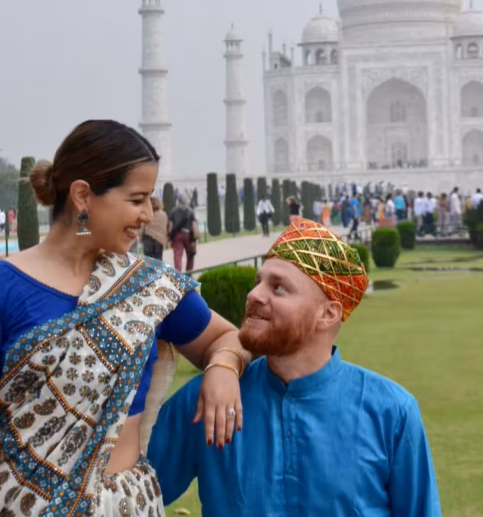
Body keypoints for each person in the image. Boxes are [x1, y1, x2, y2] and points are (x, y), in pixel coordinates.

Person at [0, 119, 251, 517]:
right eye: (137, 199)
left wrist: (223, 368)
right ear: (83, 196)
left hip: (122, 504)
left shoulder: (146, 286)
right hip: (18, 503)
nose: (147, 214)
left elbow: (228, 338)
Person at [149, 218, 442, 516]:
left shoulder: (391, 413)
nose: (254, 295)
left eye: (278, 288)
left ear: (328, 314)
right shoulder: (208, 400)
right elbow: (132, 494)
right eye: (258, 282)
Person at [169, 205, 197, 272]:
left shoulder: (173, 211)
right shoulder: (190, 211)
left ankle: (178, 273)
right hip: (188, 235)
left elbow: (170, 225)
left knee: (177, 256)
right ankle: (189, 273)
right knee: (190, 255)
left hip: (176, 235)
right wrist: (194, 238)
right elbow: (194, 225)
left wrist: (170, 237)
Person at [142, 196, 170, 261]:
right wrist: (166, 240)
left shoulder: (147, 214)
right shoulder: (164, 215)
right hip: (159, 240)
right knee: (158, 260)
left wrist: (140, 238)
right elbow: (165, 228)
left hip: (148, 238)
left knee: (148, 260)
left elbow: (143, 226)